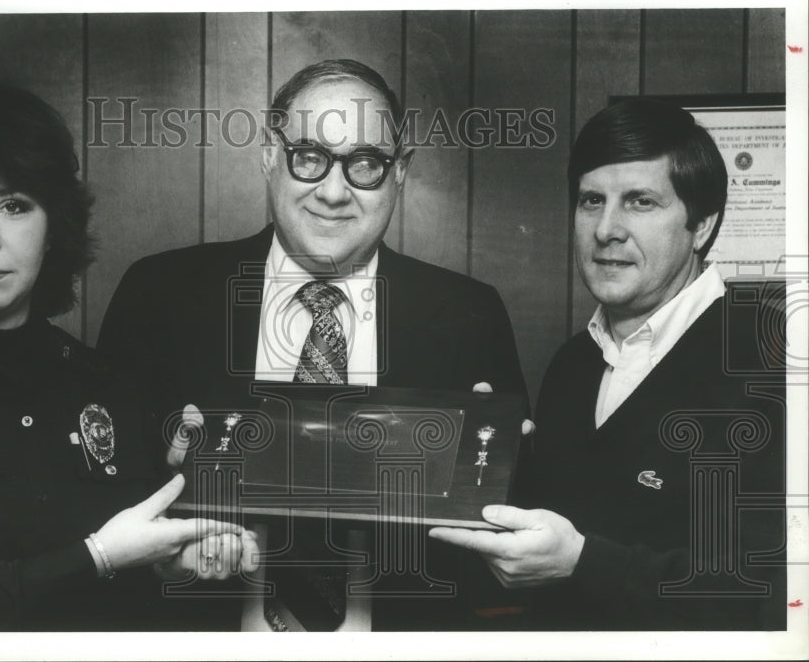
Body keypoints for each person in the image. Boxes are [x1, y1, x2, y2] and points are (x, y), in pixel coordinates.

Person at [98, 59, 528, 631]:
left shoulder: (469, 315)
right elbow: (102, 489)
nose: (333, 192)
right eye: (309, 157)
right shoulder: (160, 293)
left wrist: (488, 478)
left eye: (366, 164)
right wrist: (170, 494)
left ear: (400, 172)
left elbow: (507, 528)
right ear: (268, 155)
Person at [0, 86, 257, 632]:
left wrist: (176, 560)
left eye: (14, 205)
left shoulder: (112, 383)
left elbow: (142, 590)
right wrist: (98, 556)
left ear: (53, 224)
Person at [430, 98, 786, 630]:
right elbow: (567, 529)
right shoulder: (573, 364)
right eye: (591, 200)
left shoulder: (772, 366)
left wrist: (582, 564)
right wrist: (488, 469)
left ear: (703, 227)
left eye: (640, 202)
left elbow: (775, 595)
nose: (606, 229)